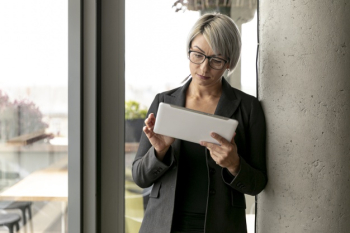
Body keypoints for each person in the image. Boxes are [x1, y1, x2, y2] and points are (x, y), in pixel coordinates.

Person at [132, 13, 267, 233]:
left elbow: (257, 184)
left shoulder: (248, 108)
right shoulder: (164, 102)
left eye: (216, 60)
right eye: (197, 55)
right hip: (163, 225)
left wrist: (234, 164)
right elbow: (140, 177)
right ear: (189, 51)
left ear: (229, 62)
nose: (204, 68)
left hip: (222, 226)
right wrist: (159, 151)